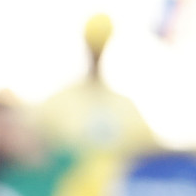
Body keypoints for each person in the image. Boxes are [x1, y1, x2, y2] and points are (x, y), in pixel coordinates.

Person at [35, 14, 156, 157]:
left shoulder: (127, 107)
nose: (97, 54)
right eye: (93, 45)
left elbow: (149, 148)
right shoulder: (57, 104)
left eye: (102, 46)